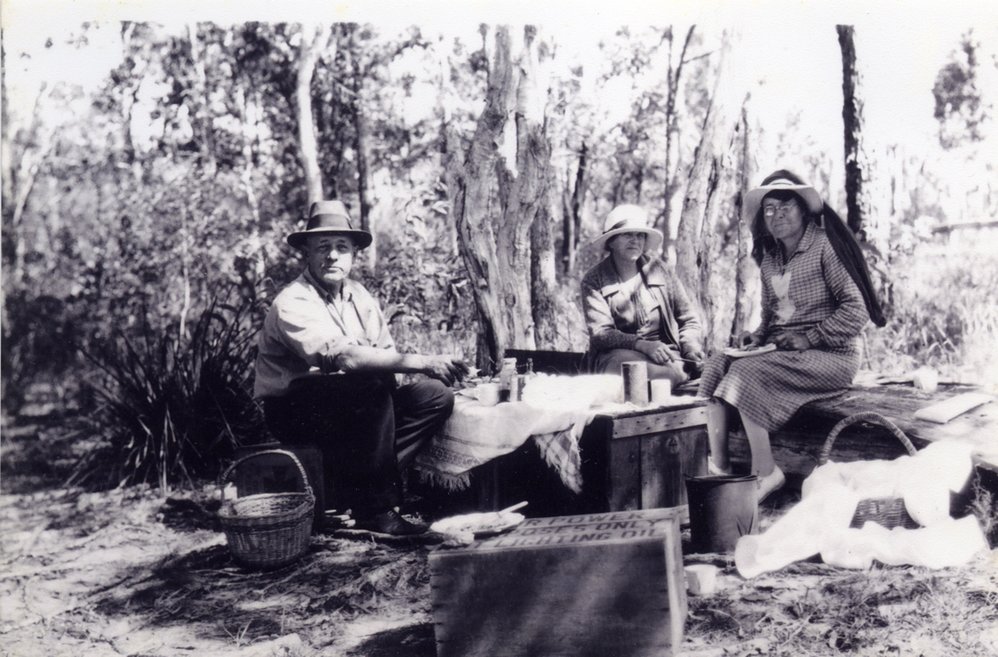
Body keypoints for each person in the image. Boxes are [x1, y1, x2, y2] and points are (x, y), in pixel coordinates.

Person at [254, 200, 469, 536]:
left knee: (434, 395)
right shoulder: (293, 301)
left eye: (342, 247)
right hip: (295, 408)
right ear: (307, 254)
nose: (333, 256)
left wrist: (410, 377)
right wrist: (424, 362)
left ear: (354, 254)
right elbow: (343, 358)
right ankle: (378, 510)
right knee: (368, 385)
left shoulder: (360, 296)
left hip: (355, 403)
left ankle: (353, 493)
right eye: (323, 247)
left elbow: (387, 356)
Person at [698, 170, 885, 502]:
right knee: (716, 364)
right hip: (784, 352)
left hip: (833, 355)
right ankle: (720, 471)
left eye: (786, 207)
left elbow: (857, 310)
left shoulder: (824, 246)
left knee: (744, 373)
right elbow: (772, 315)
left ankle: (766, 471)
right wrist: (756, 338)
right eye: (769, 209)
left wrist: (811, 338)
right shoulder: (771, 258)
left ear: (803, 210)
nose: (777, 215)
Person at [581, 204, 705, 385]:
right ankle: (677, 377)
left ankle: (676, 375)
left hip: (668, 356)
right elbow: (601, 334)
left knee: (716, 366)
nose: (635, 241)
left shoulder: (660, 270)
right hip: (619, 356)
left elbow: (689, 319)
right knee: (630, 370)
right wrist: (643, 345)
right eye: (627, 234)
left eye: (640, 235)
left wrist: (690, 349)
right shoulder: (594, 279)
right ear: (611, 241)